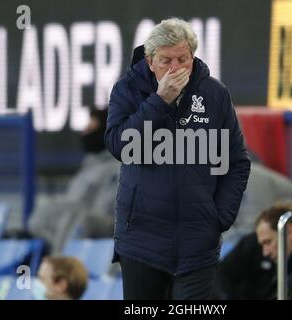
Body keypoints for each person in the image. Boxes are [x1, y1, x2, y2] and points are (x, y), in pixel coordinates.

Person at [105, 18, 250, 300]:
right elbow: (120, 146)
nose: (175, 69)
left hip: (197, 240)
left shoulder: (214, 94)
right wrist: (159, 102)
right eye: (166, 60)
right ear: (150, 61)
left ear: (193, 57)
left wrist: (219, 217)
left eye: (183, 59)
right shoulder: (127, 90)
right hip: (141, 239)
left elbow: (236, 162)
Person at [29, 109, 120, 253]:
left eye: (90, 129)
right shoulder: (89, 164)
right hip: (75, 223)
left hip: (108, 226)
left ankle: (62, 266)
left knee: (77, 218)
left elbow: (106, 212)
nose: (84, 133)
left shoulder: (120, 167)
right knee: (44, 212)